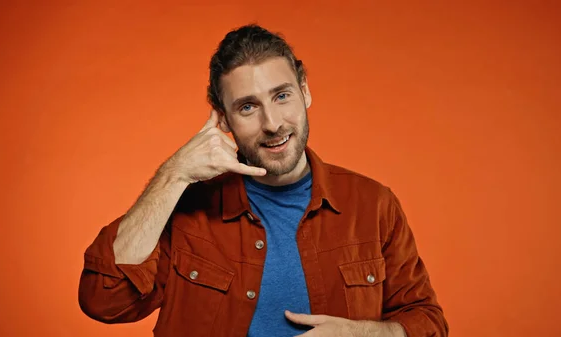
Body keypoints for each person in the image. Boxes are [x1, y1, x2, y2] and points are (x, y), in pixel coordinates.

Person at [78, 24, 449, 337]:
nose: (272, 124)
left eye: (282, 96)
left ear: (304, 91)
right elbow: (104, 300)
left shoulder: (373, 204)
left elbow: (428, 322)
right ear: (223, 119)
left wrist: (364, 333)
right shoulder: (185, 209)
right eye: (248, 107)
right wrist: (174, 174)